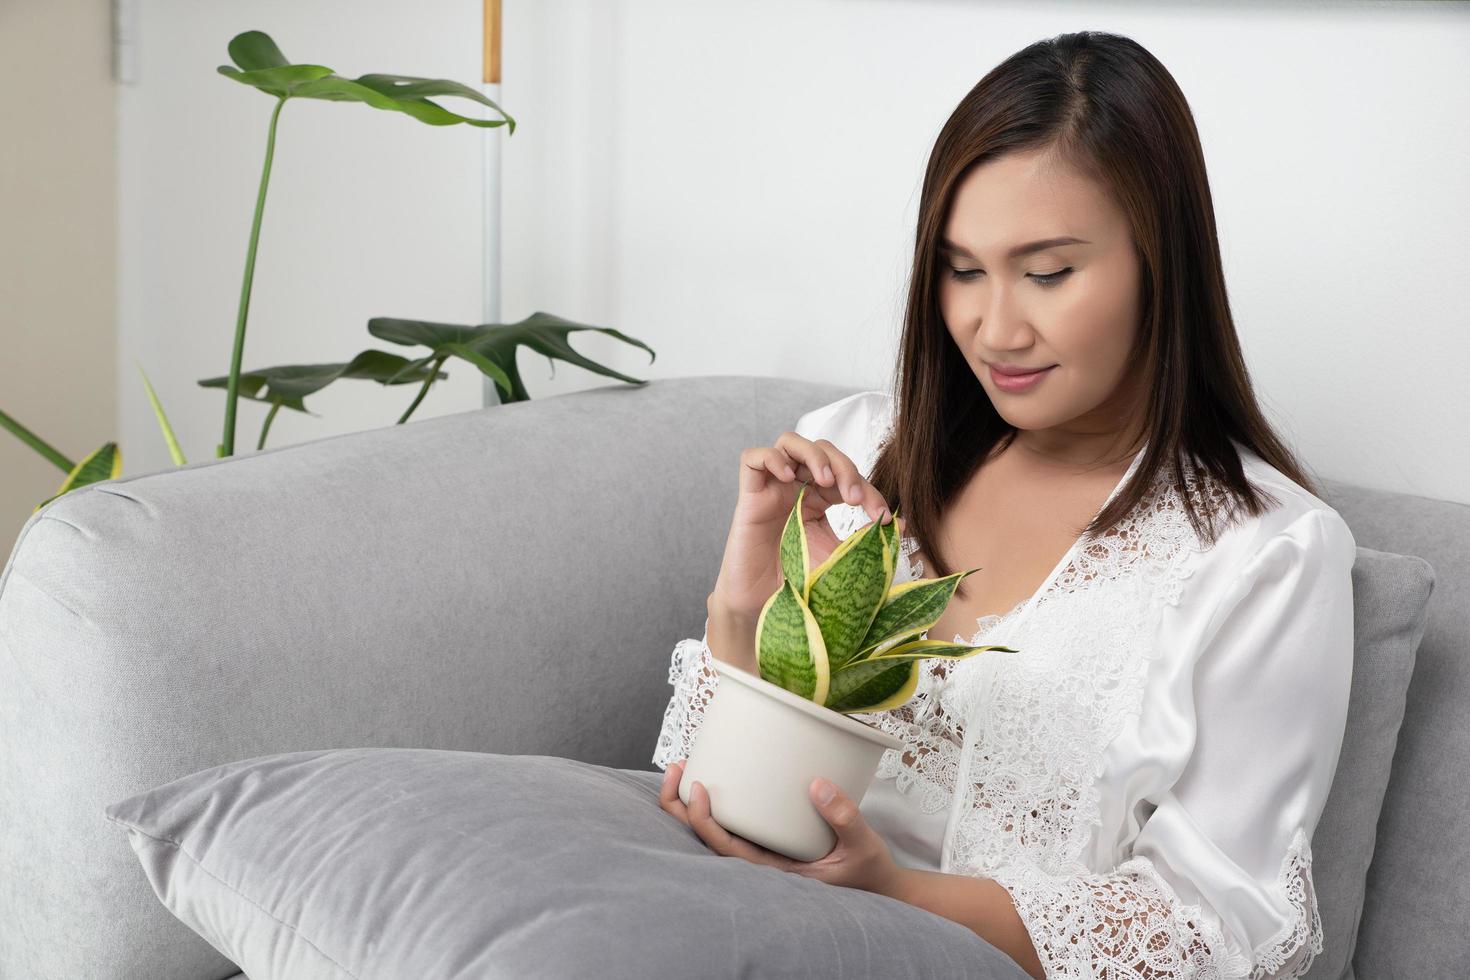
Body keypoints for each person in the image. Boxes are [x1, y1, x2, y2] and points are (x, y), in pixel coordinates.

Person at [652, 29, 1355, 980]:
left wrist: (897, 898)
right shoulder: (855, 452)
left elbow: (1216, 924)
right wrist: (743, 609)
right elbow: (711, 795)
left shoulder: (1262, 554)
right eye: (963, 269)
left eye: (1050, 272)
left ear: (1163, 263)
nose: (995, 328)